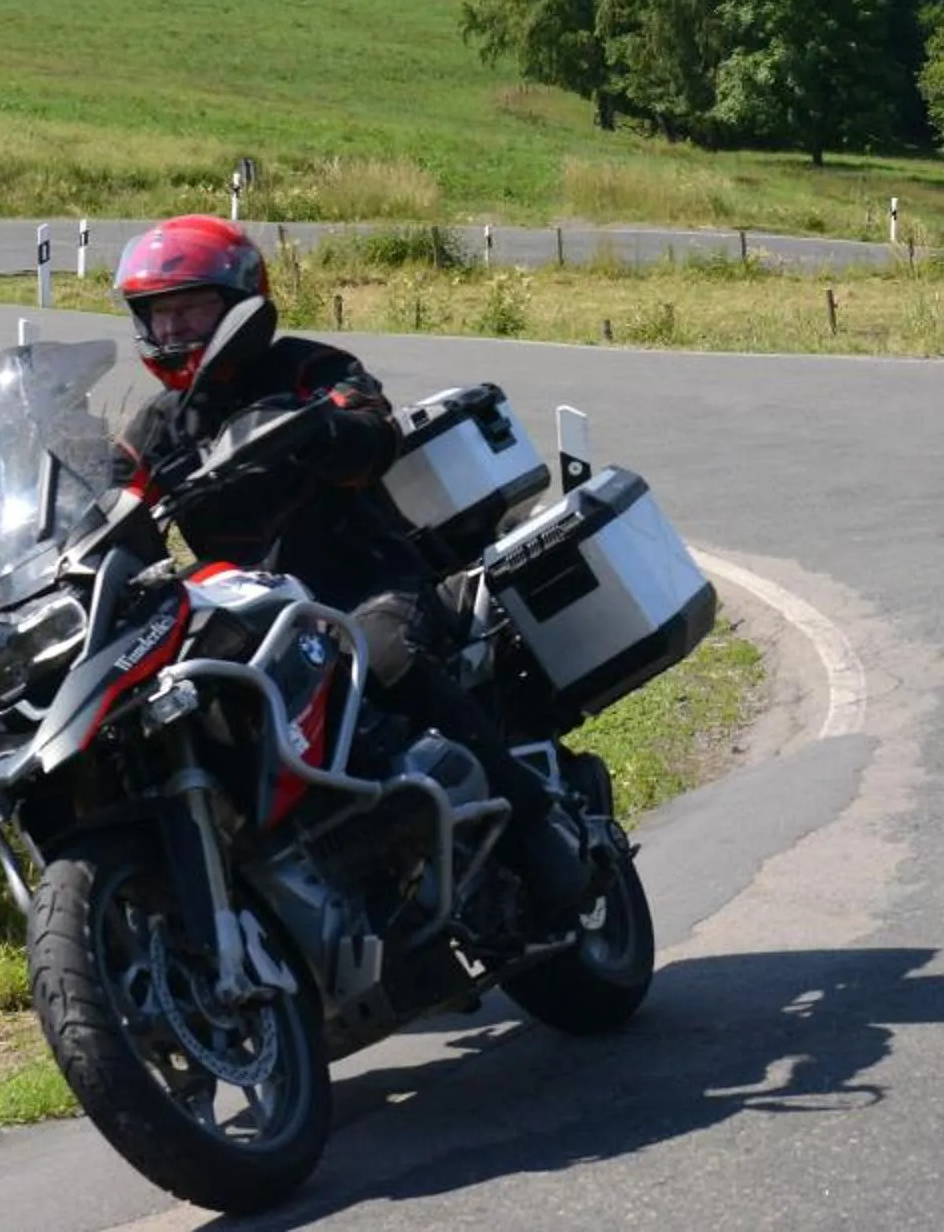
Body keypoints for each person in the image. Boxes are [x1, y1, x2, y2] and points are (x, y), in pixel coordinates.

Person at [105, 213, 590, 926]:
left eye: (192, 308)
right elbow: (113, 500)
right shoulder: (159, 424)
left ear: (239, 302)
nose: (175, 328)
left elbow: (370, 429)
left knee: (386, 656)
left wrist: (325, 427)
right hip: (245, 611)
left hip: (360, 580)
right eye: (161, 313)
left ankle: (533, 819)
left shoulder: (306, 367)